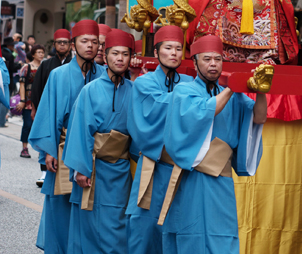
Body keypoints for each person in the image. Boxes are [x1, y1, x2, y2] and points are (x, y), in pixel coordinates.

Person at [162, 34, 267, 253]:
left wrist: (261, 92)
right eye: (207, 59)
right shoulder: (184, 91)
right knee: (193, 234)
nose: (213, 64)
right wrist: (232, 87)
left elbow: (258, 118)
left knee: (224, 235)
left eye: (218, 59)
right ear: (195, 62)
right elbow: (203, 113)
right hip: (194, 176)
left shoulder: (232, 95)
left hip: (222, 179)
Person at [29, 19, 105, 253]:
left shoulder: (104, 74)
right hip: (62, 148)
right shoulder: (58, 74)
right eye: (84, 41)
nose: (90, 46)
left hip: (95, 151)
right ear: (74, 45)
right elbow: (48, 113)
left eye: (94, 42)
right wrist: (48, 151)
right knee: (60, 203)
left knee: (90, 205)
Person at [63, 29, 135, 254]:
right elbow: (80, 131)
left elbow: (140, 131)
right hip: (95, 169)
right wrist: (81, 169)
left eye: (125, 54)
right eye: (115, 53)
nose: (120, 59)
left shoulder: (135, 90)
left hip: (121, 169)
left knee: (118, 222)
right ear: (106, 56)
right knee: (92, 222)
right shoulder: (90, 90)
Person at [126, 26, 192, 254]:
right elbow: (149, 117)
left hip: (183, 168)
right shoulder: (144, 83)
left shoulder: (189, 83)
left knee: (178, 225)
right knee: (145, 226)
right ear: (156, 53)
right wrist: (191, 97)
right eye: (168, 48)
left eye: (178, 48)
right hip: (154, 166)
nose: (174, 53)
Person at [31, 29, 73, 187]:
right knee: (46, 137)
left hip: (68, 112)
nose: (62, 45)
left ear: (70, 45)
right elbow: (37, 87)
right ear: (54, 45)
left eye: (65, 42)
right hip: (49, 109)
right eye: (59, 42)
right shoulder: (46, 64)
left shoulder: (75, 64)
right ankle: (43, 171)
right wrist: (35, 109)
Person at [18, 44, 45, 159]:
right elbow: (22, 84)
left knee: (40, 126)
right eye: (38, 52)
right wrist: (23, 100)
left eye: (42, 52)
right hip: (28, 101)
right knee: (27, 125)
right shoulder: (26, 67)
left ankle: (41, 150)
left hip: (41, 101)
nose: (41, 54)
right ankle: (24, 147)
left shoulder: (45, 67)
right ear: (33, 54)